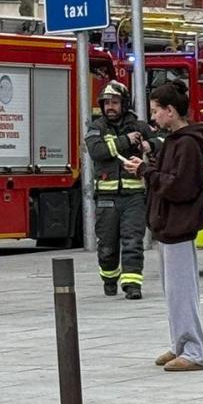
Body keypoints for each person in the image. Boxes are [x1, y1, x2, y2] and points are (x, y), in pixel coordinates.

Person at [122, 82, 203, 372]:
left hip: (178, 225)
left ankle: (194, 350)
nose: (154, 117)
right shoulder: (177, 141)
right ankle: (180, 344)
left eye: (156, 111)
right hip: (169, 225)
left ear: (171, 111)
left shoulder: (185, 144)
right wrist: (147, 168)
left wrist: (145, 170)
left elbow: (179, 187)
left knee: (182, 292)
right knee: (174, 291)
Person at [86, 81, 155, 299]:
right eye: (106, 103)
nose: (110, 107)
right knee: (107, 246)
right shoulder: (96, 127)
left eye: (115, 103)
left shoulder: (139, 126)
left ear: (124, 104)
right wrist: (126, 141)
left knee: (133, 241)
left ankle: (132, 285)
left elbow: (163, 140)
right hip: (106, 197)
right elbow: (97, 152)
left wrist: (150, 145)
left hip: (134, 197)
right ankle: (109, 278)